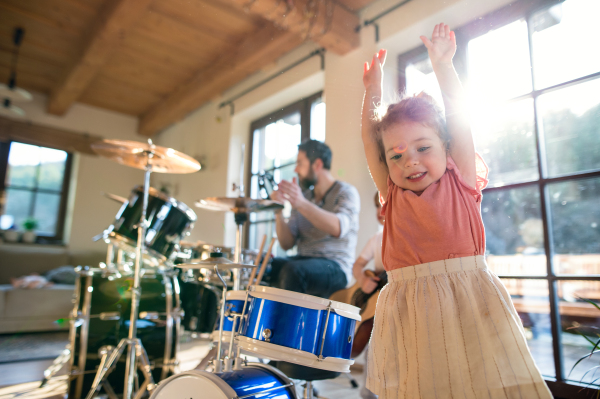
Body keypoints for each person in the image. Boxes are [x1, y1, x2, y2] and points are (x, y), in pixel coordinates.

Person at [360, 24, 552, 398]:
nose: (410, 161)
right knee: (421, 387)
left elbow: (459, 119)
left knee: (480, 384)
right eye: (396, 156)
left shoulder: (458, 176)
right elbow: (370, 139)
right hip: (412, 310)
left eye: (422, 148)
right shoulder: (392, 192)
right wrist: (372, 91)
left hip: (467, 299)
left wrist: (443, 65)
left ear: (446, 147)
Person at [269, 139, 360, 299]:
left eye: (300, 164)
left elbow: (338, 227)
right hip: (302, 261)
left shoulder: (346, 192)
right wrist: (278, 211)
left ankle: (287, 324)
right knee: (265, 266)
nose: (296, 169)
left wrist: (301, 203)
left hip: (335, 265)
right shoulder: (304, 197)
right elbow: (286, 243)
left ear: (317, 164)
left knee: (293, 271)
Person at [352, 191, 384, 399]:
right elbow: (358, 265)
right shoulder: (378, 239)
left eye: (385, 205)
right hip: (378, 301)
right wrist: (363, 279)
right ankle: (369, 391)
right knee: (373, 344)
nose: (381, 211)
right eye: (377, 206)